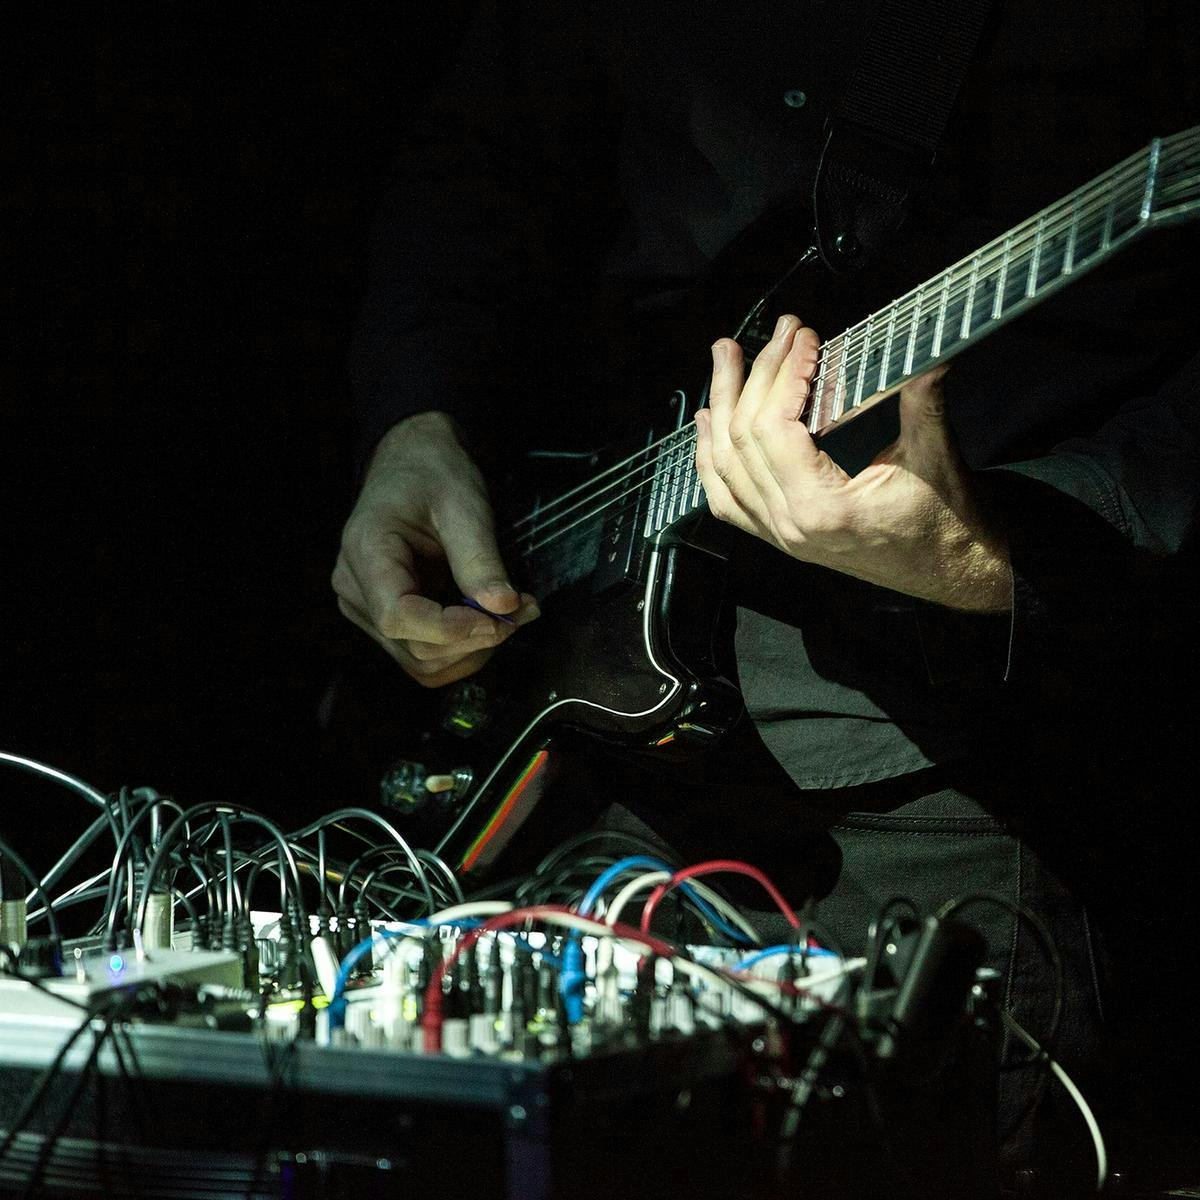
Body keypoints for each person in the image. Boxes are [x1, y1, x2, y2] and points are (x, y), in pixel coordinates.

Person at [332, 1, 1199, 1190]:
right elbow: (484, 155)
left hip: (940, 767)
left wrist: (994, 559)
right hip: (583, 734)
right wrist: (416, 416)